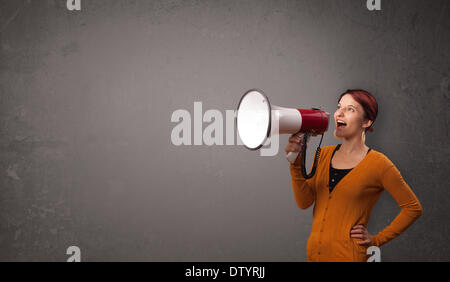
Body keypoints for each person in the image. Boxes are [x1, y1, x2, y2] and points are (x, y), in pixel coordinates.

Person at [285, 89, 423, 262]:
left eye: (350, 109)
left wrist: (377, 240)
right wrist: (295, 163)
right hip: (314, 256)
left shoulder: (379, 164)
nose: (339, 113)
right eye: (339, 107)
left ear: (366, 121)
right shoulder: (324, 154)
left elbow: (413, 208)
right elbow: (304, 202)